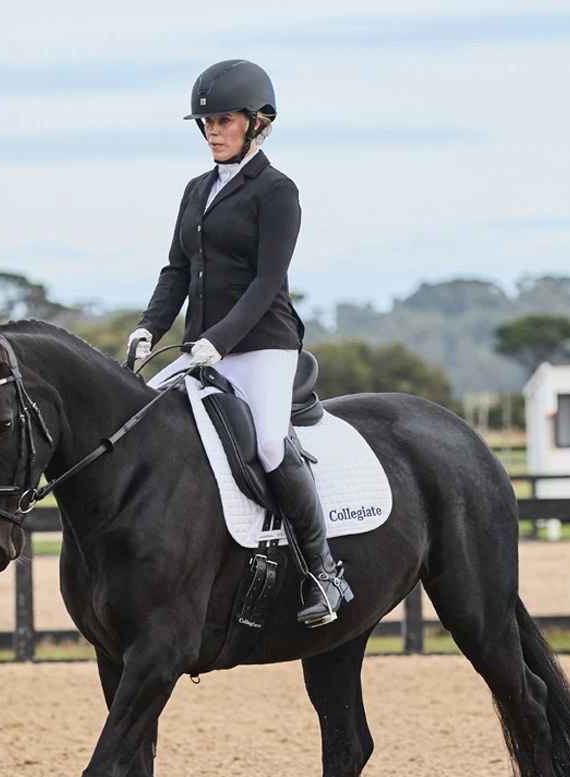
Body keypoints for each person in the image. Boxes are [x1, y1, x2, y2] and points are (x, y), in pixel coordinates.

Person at [128, 59, 353, 627]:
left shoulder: (278, 191)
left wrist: (219, 341)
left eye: (223, 120)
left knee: (272, 446)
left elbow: (266, 282)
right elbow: (176, 269)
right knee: (136, 421)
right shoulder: (196, 189)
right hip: (200, 347)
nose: (211, 131)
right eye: (204, 122)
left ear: (259, 123)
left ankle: (324, 573)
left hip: (261, 346)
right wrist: (149, 328)